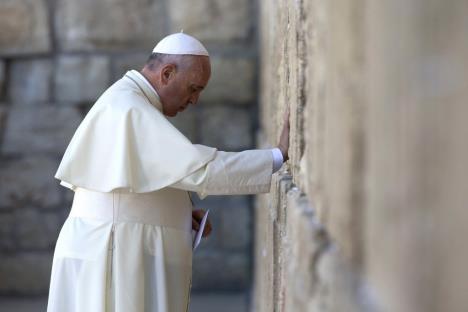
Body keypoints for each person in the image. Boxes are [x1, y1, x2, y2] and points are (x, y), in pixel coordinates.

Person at [46, 32, 290, 312]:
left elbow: (135, 184)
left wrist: (177, 211)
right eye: (194, 88)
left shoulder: (129, 100)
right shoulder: (129, 109)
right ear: (167, 73)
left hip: (112, 246)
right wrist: (276, 156)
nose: (195, 100)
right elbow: (202, 170)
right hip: (111, 254)